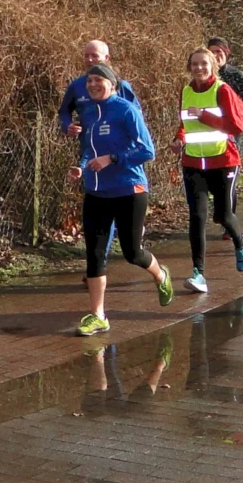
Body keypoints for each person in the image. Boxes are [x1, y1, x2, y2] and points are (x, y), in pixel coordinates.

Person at [69, 65, 172, 337]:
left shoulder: (126, 110)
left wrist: (113, 159)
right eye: (89, 80)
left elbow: (147, 151)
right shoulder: (88, 114)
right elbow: (88, 150)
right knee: (95, 253)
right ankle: (98, 315)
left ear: (112, 84)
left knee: (132, 253)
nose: (93, 85)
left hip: (129, 190)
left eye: (99, 80)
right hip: (96, 192)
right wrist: (81, 167)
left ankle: (161, 275)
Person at [171, 47, 243, 293]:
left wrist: (205, 115)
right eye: (194, 64)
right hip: (194, 162)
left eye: (204, 64)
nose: (199, 69)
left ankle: (240, 243)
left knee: (223, 216)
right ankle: (198, 274)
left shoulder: (223, 90)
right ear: (189, 67)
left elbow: (236, 125)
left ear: (213, 66)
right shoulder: (186, 91)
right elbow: (186, 123)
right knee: (197, 217)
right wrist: (179, 139)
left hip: (223, 160)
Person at [60, 41, 141, 257]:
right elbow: (64, 111)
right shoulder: (78, 86)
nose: (89, 60)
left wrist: (120, 152)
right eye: (86, 56)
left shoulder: (121, 86)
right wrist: (68, 127)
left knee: (117, 204)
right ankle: (98, 259)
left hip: (120, 155)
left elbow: (136, 119)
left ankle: (129, 230)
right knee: (99, 207)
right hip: (90, 151)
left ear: (107, 58)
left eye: (94, 56)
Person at [207, 37, 243, 236]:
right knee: (212, 180)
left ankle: (227, 219)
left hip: (231, 133)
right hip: (207, 135)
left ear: (226, 54)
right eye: (211, 52)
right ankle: (223, 212)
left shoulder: (234, 76)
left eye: (219, 52)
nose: (215, 56)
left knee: (228, 177)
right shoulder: (202, 77)